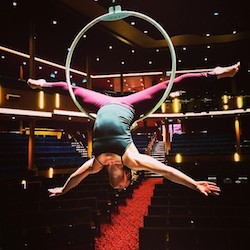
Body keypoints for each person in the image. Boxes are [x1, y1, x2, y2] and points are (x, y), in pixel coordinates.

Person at [27, 62, 240, 197]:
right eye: (125, 187)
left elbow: (75, 177)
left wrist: (63, 190)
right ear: (129, 176)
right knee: (170, 85)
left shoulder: (96, 164)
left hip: (103, 104)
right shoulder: (133, 160)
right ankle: (215, 73)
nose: (120, 188)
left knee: (70, 89)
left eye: (119, 189)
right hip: (130, 105)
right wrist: (194, 184)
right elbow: (167, 171)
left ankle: (43, 84)